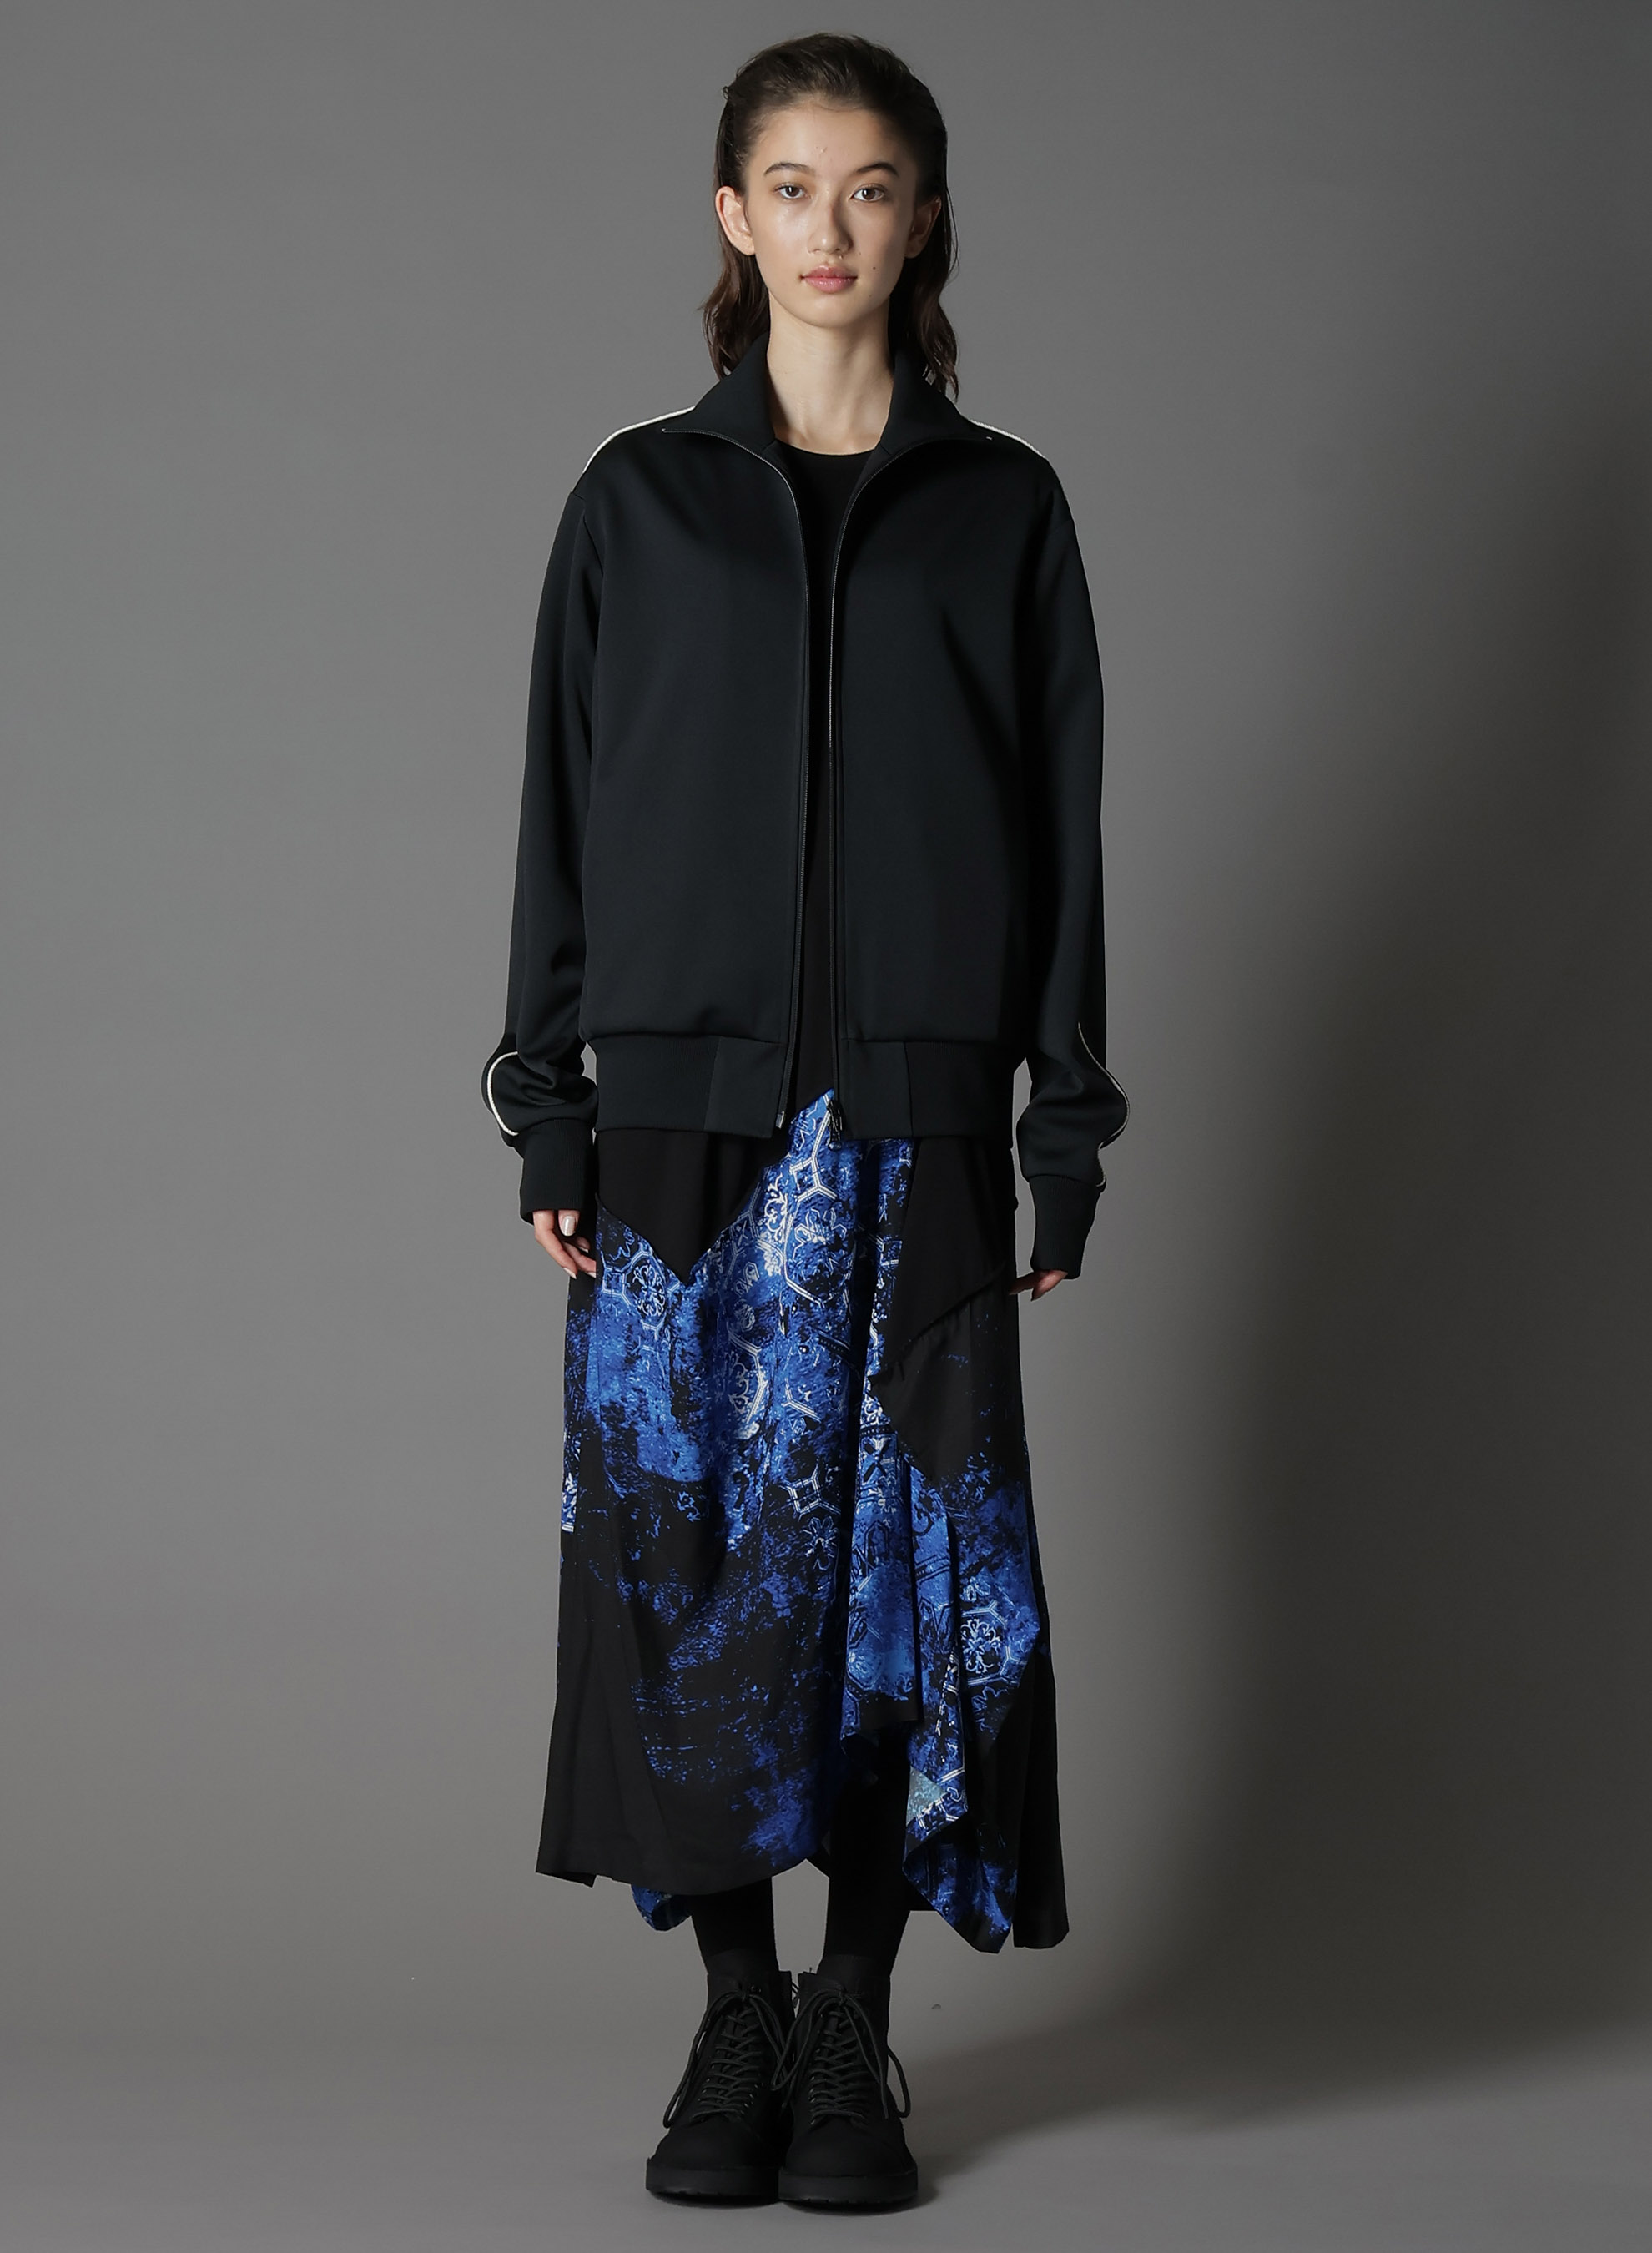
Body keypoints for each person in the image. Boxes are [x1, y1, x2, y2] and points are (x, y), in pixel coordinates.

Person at [481, 29, 1126, 2212]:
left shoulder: (1004, 507)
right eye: (789, 184)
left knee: (892, 1580)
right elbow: (562, 814)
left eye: (869, 185)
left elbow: (1064, 835)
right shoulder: (634, 503)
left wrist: (1060, 1130)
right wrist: (546, 1101)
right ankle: (732, 2018)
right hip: (679, 1117)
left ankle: (855, 2023)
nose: (829, 225)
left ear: (923, 217)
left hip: (920, 1116)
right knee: (691, 1572)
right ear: (731, 218)